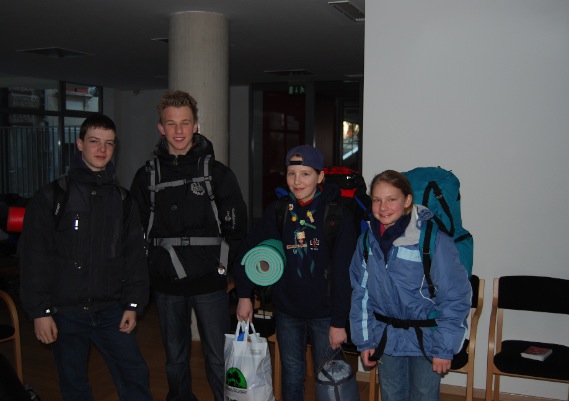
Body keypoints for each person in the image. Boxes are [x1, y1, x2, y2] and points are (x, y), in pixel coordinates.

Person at [19, 114, 153, 401]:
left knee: (135, 376)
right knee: (74, 386)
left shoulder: (123, 200)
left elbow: (134, 256)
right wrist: (40, 312)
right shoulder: (52, 197)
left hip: (112, 311)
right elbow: (34, 258)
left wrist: (133, 304)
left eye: (109, 143)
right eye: (94, 141)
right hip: (66, 312)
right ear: (80, 144)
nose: (102, 149)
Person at [129, 90, 248, 401]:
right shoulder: (146, 176)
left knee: (218, 357)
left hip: (209, 281)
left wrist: (223, 267)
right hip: (166, 282)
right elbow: (135, 231)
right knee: (175, 358)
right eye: (171, 123)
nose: (178, 131)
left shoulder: (218, 173)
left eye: (185, 123)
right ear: (161, 128)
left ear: (196, 125)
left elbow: (237, 228)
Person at [234, 145, 356, 401]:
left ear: (320, 177)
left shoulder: (337, 215)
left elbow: (344, 273)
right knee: (291, 375)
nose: (297, 181)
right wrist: (244, 295)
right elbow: (249, 251)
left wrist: (338, 322)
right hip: (288, 311)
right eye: (291, 174)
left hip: (325, 315)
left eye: (305, 174)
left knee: (328, 377)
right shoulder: (278, 211)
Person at [349, 169, 471, 401]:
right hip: (387, 337)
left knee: (424, 396)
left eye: (391, 199)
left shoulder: (432, 239)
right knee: (391, 395)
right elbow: (361, 294)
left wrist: (445, 347)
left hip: (427, 339)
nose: (383, 207)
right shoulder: (367, 241)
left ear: (407, 200)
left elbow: (455, 296)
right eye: (377, 200)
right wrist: (364, 341)